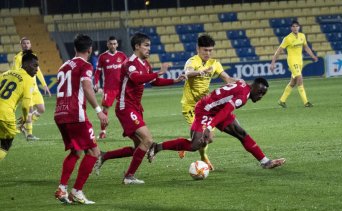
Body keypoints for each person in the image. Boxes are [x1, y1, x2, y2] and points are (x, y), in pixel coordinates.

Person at [93, 32, 185, 185]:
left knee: (140, 147)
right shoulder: (129, 63)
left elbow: (154, 82)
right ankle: (129, 176)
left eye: (150, 46)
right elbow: (136, 79)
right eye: (146, 45)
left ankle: (104, 156)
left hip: (135, 108)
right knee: (148, 140)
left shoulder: (145, 64)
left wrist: (174, 80)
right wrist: (158, 72)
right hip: (125, 107)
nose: (149, 49)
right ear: (137, 46)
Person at [147, 78, 286, 170]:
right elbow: (226, 110)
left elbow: (225, 105)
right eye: (260, 92)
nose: (260, 96)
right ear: (254, 87)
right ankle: (157, 147)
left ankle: (265, 162)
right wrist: (209, 126)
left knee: (241, 133)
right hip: (206, 110)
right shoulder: (243, 97)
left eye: (264, 94)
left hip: (217, 109)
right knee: (195, 145)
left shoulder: (243, 84)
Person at [54, 34, 108, 204]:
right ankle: (77, 191)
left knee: (76, 151)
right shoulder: (86, 65)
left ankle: (62, 189)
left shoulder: (63, 66)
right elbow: (86, 86)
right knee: (94, 152)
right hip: (75, 115)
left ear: (75, 48)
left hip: (60, 114)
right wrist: (99, 110)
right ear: (90, 49)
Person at [179, 34, 237, 170]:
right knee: (201, 137)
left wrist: (242, 84)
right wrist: (201, 72)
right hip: (190, 106)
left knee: (208, 138)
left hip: (206, 106)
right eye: (205, 50)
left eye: (210, 50)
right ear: (198, 49)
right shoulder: (192, 61)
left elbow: (227, 79)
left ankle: (184, 144)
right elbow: (188, 73)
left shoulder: (214, 63)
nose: (208, 53)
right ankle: (203, 157)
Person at [270, 20, 318, 108]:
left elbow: (306, 47)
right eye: (293, 26)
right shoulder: (287, 38)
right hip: (292, 61)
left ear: (299, 27)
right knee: (299, 78)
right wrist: (273, 63)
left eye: (297, 26)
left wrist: (313, 56)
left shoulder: (302, 36)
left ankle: (282, 100)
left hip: (300, 61)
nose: (295, 28)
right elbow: (278, 51)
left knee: (293, 82)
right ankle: (306, 102)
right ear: (291, 28)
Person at [0, 51, 38, 160]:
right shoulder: (29, 80)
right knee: (5, 145)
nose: (36, 69)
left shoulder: (6, 73)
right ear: (25, 64)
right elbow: (26, 105)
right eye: (34, 65)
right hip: (5, 114)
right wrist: (26, 119)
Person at [12, 37, 51, 140]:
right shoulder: (18, 57)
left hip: (35, 88)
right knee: (30, 110)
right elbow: (16, 72)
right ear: (21, 45)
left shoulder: (34, 56)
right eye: (24, 43)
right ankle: (29, 134)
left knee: (41, 109)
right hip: (26, 87)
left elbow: (38, 70)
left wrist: (44, 85)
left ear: (30, 45)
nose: (26, 45)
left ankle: (24, 125)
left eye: (28, 43)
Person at [93, 36, 127, 139]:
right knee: (105, 110)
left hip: (122, 88)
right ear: (107, 44)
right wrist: (96, 83)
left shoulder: (122, 56)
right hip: (109, 89)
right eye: (110, 44)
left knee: (126, 109)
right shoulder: (103, 57)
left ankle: (128, 129)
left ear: (117, 44)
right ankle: (103, 131)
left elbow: (128, 69)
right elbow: (97, 72)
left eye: (114, 43)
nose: (112, 45)